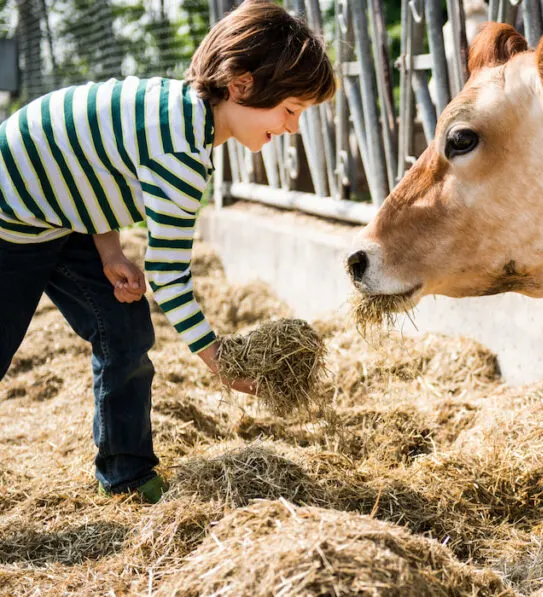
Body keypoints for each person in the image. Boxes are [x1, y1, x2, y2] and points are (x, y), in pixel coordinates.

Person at [0, 0, 335, 503]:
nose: (291, 128)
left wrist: (110, 252)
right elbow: (168, 274)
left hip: (60, 210)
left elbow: (95, 170)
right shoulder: (182, 154)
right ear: (241, 84)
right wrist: (218, 358)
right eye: (290, 111)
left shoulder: (179, 112)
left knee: (125, 329)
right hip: (14, 216)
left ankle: (127, 476)